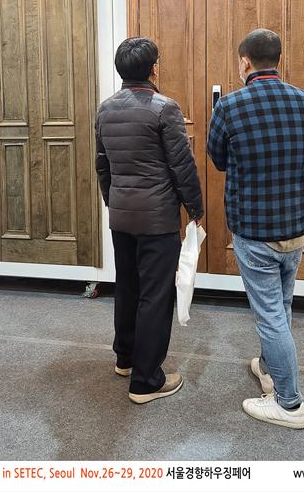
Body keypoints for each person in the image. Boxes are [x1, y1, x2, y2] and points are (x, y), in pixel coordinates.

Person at [207, 29, 304, 429]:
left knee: (270, 315)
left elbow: (218, 159)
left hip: (255, 231)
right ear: (279, 60)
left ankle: (289, 404)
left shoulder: (229, 106)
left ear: (245, 62)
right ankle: (270, 369)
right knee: (282, 306)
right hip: (296, 226)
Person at [95, 37, 204, 404]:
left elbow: (103, 166)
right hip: (157, 219)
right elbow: (182, 166)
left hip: (121, 215)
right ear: (153, 68)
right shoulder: (164, 108)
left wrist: (114, 201)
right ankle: (146, 381)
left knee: (128, 287)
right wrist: (195, 208)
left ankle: (125, 359)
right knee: (156, 296)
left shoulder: (105, 109)